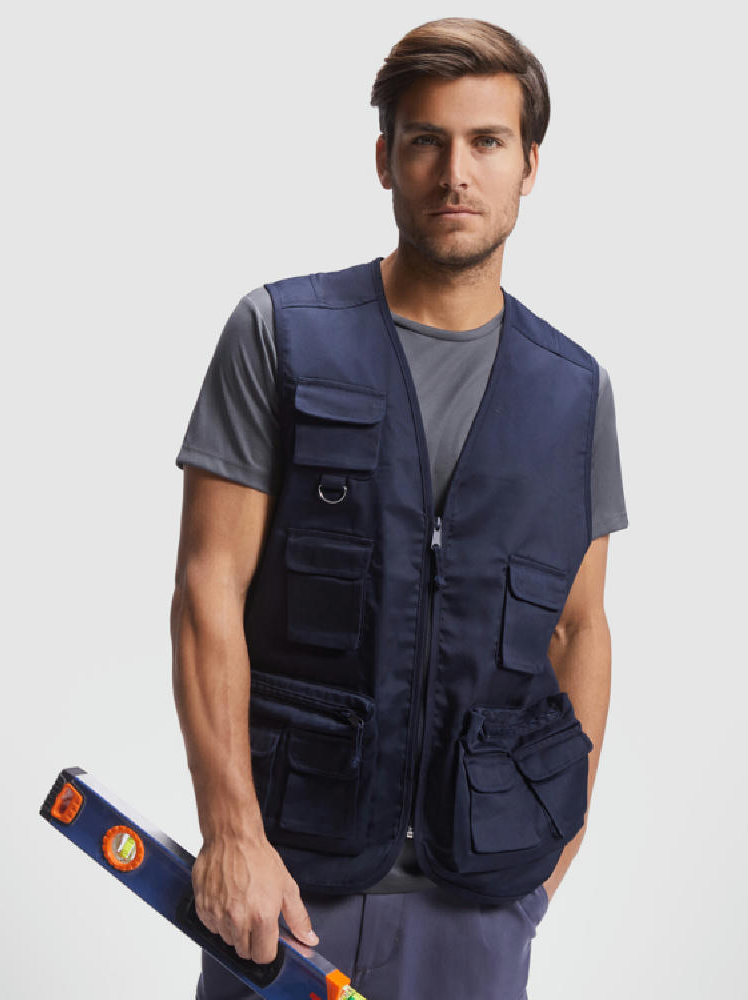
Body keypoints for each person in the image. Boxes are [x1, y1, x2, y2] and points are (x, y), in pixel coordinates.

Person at [170, 17, 628, 1000]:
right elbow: (208, 588)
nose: (455, 173)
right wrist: (232, 834)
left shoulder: (574, 392)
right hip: (288, 892)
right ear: (385, 159)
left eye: (487, 141)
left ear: (529, 165)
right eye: (426, 140)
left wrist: (553, 856)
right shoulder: (280, 335)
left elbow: (580, 627)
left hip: (481, 906)